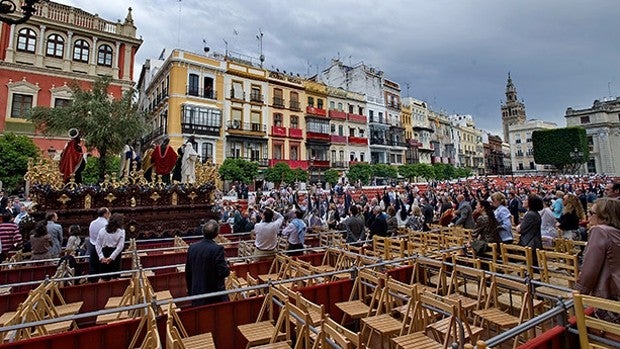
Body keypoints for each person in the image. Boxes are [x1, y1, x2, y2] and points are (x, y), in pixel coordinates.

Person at [575, 198, 620, 320]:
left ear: (604, 216)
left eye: (591, 213)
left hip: (609, 294)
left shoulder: (599, 230)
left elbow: (590, 268)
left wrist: (578, 292)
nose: (588, 216)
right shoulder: (616, 232)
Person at [185, 220, 230, 306]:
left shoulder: (192, 248)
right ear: (217, 233)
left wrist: (190, 291)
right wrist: (227, 265)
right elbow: (223, 272)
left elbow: (188, 272)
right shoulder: (218, 249)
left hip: (196, 293)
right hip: (213, 296)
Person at [95, 213, 126, 281]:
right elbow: (120, 246)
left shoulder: (102, 230)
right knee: (114, 277)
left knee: (104, 277)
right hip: (115, 254)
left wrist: (101, 257)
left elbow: (97, 244)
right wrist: (111, 257)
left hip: (105, 253)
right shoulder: (121, 232)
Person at [516, 195, 543, 266]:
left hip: (531, 243)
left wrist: (519, 226)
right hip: (532, 241)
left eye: (526, 200)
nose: (523, 201)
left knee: (532, 265)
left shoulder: (530, 215)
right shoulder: (533, 213)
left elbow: (520, 229)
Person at [88, 207, 110, 282]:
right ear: (105, 214)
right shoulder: (106, 224)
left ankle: (93, 281)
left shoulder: (92, 223)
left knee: (94, 266)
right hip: (103, 248)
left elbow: (91, 236)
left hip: (93, 246)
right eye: (108, 213)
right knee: (103, 268)